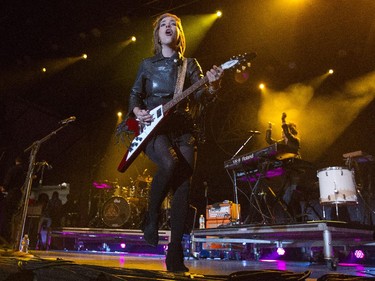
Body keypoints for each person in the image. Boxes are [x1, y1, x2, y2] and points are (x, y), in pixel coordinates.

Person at [127, 13, 223, 272]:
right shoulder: (147, 64)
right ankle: (152, 216)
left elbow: (202, 96)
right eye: (163, 24)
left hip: (183, 130)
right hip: (154, 129)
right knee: (168, 165)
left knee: (182, 190)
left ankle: (175, 254)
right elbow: (135, 94)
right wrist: (137, 112)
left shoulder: (190, 65)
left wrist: (212, 86)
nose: (168, 27)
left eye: (174, 24)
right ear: (157, 34)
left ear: (180, 33)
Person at [265, 113, 302, 222]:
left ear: (290, 131)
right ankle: (289, 219)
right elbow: (269, 141)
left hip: (295, 171)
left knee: (290, 196)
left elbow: (287, 133)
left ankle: (294, 219)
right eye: (282, 131)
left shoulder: (294, 140)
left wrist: (283, 121)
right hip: (286, 173)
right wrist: (269, 127)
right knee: (286, 197)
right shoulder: (281, 143)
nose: (282, 133)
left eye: (284, 131)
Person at [0, 155, 27, 244]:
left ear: (16, 161)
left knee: (6, 216)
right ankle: (14, 239)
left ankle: (6, 238)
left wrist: (3, 188)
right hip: (20, 195)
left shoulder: (12, 170)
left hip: (12, 194)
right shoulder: (25, 171)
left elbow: (6, 185)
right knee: (15, 217)